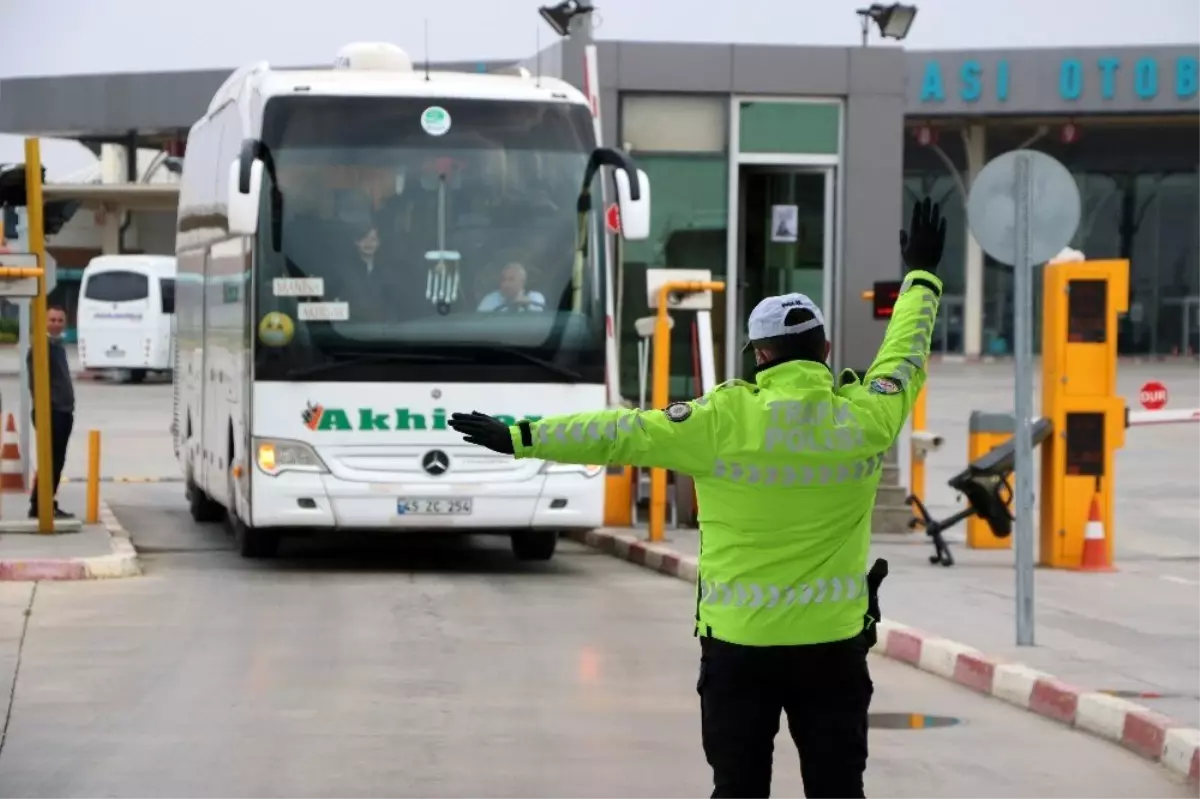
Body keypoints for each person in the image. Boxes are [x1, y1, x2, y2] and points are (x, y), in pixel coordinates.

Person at [447, 197, 948, 799]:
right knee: (838, 790)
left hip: (739, 649)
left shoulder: (718, 421)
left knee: (737, 790)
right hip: (833, 650)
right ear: (826, 350)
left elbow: (618, 432)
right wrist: (921, 275)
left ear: (759, 356)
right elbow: (906, 353)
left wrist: (521, 436)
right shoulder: (867, 417)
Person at [27, 304, 76, 520]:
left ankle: (43, 502)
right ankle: (41, 506)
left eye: (60, 320)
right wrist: (47, 409)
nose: (56, 324)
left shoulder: (57, 345)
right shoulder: (42, 346)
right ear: (43, 321)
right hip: (52, 412)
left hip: (62, 411)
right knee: (51, 461)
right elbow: (36, 382)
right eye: (52, 320)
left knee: (55, 461)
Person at [476, 262, 545, 312]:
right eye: (503, 279)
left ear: (522, 281)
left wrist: (527, 306)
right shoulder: (490, 300)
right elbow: (479, 324)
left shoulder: (535, 298)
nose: (506, 284)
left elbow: (537, 324)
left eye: (511, 279)